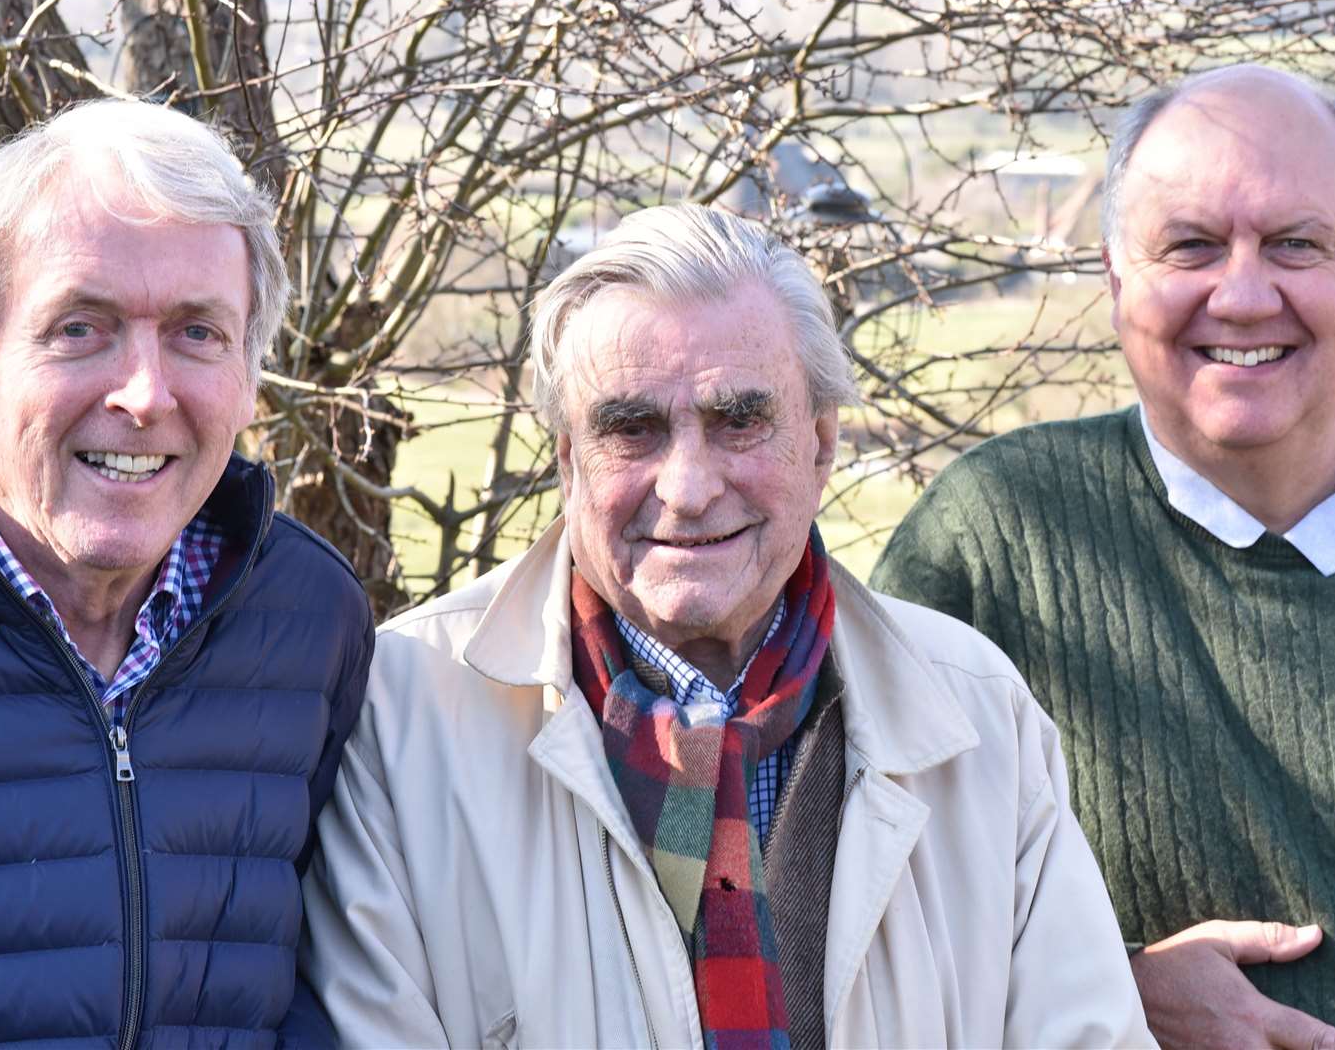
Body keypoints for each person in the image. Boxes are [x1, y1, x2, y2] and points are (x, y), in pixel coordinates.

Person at [299, 203, 1152, 1047]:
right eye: (630, 430)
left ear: (821, 443)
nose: (688, 486)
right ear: (565, 459)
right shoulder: (400, 715)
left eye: (738, 420)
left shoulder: (978, 718)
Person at [872, 64, 1335, 1048]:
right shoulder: (995, 541)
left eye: (1296, 244)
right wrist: (1108, 993)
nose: (1245, 295)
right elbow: (855, 933)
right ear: (1117, 278)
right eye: (1192, 246)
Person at [0, 101, 373, 1045]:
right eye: (79, 327)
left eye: (197, 333)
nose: (145, 395)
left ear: (249, 375)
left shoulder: (308, 620)